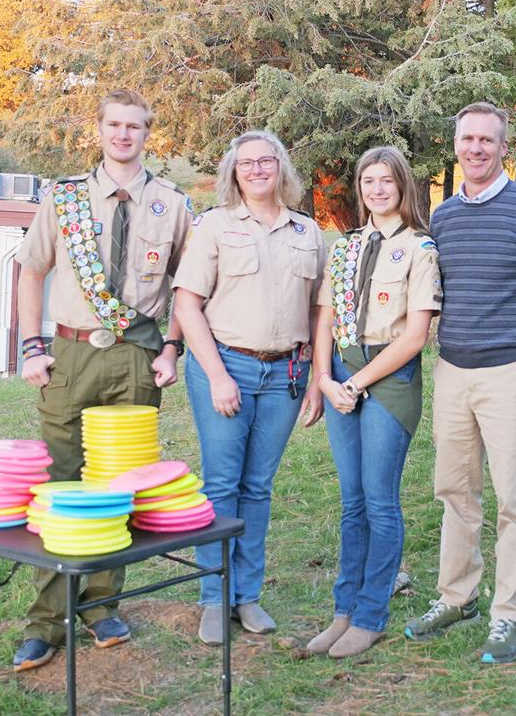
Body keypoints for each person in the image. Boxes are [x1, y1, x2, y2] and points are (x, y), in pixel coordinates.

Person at [13, 88, 193, 671]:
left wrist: (172, 348)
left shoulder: (172, 203)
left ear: (147, 133)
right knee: (60, 484)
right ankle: (46, 620)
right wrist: (31, 347)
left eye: (134, 126)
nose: (123, 135)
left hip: (136, 356)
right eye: (114, 125)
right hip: (70, 354)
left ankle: (101, 607)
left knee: (117, 484)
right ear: (99, 130)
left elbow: (190, 287)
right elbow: (30, 270)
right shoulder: (64, 197)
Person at [405, 102, 516, 664]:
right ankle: (457, 597)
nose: (476, 148)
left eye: (487, 140)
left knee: (514, 499)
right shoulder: (444, 218)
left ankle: (508, 614)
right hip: (453, 373)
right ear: (455, 145)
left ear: (505, 148)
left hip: (509, 374)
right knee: (455, 493)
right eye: (467, 139)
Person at [172, 130, 325, 645]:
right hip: (226, 366)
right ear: (233, 174)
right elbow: (187, 304)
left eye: (266, 161)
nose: (257, 170)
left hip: (285, 374)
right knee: (222, 486)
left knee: (258, 487)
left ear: (281, 168)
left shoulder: (307, 231)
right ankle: (213, 599)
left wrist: (316, 378)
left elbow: (319, 310)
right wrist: (217, 375)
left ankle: (247, 596)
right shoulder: (215, 225)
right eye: (246, 164)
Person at [304, 146, 441, 659]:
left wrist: (356, 383)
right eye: (368, 181)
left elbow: (415, 337)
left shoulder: (420, 248)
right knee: (352, 502)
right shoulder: (345, 248)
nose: (377, 189)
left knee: (380, 501)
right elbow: (325, 318)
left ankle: (370, 616)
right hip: (341, 376)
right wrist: (324, 378)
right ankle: (343, 611)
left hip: (387, 379)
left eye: (387, 180)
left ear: (402, 186)